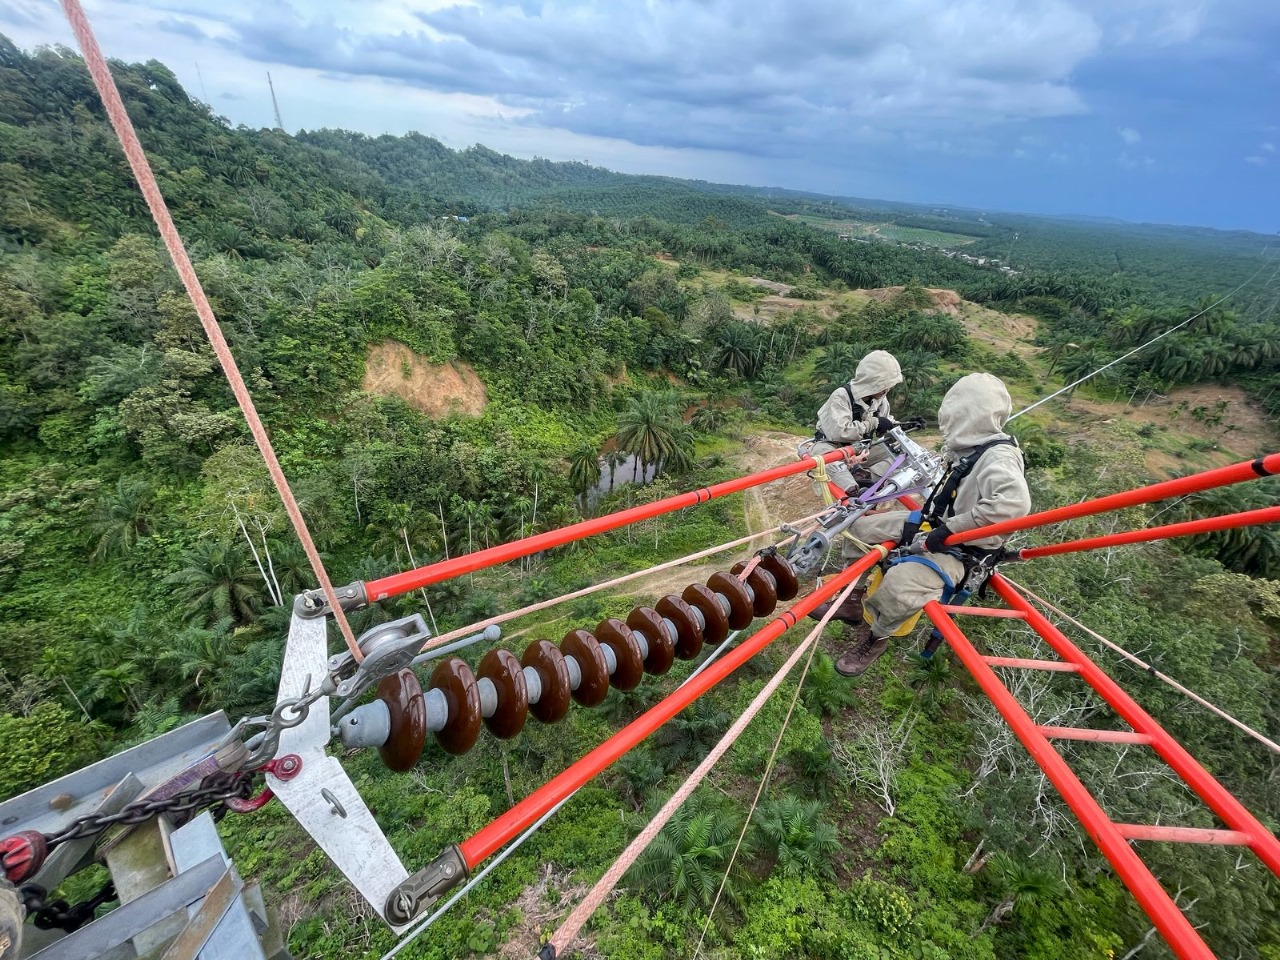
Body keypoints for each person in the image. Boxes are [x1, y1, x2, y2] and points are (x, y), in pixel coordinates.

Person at [811, 372, 1031, 677]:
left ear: (968, 416)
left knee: (900, 585)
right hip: (935, 524)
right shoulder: (970, 447)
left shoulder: (999, 458)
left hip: (962, 547)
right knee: (858, 529)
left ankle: (876, 638)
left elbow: (1012, 506)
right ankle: (852, 598)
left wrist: (951, 529)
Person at [810, 350, 903, 494]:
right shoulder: (841, 396)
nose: (885, 390)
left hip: (861, 448)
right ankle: (852, 489)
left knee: (901, 453)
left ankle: (867, 477)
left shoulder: (881, 401)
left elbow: (885, 422)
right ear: (870, 381)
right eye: (882, 385)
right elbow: (839, 432)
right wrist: (873, 423)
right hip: (833, 446)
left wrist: (901, 426)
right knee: (823, 458)